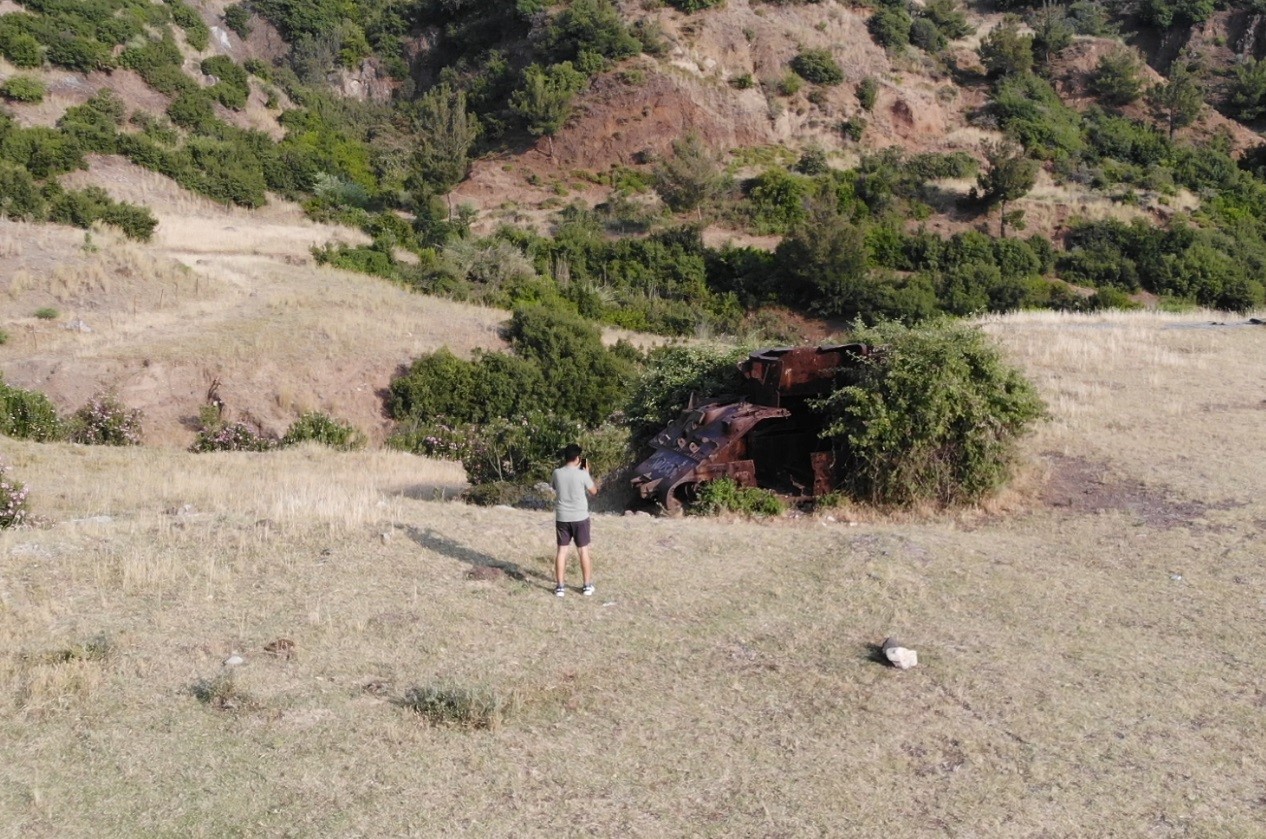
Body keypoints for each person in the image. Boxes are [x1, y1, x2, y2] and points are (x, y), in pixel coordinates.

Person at [551, 443, 598, 597]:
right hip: (580, 517)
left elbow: (555, 488)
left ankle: (560, 587)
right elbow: (593, 491)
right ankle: (586, 585)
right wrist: (587, 473)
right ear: (578, 458)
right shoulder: (583, 474)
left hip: (562, 518)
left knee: (561, 551)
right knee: (583, 551)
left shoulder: (557, 473)